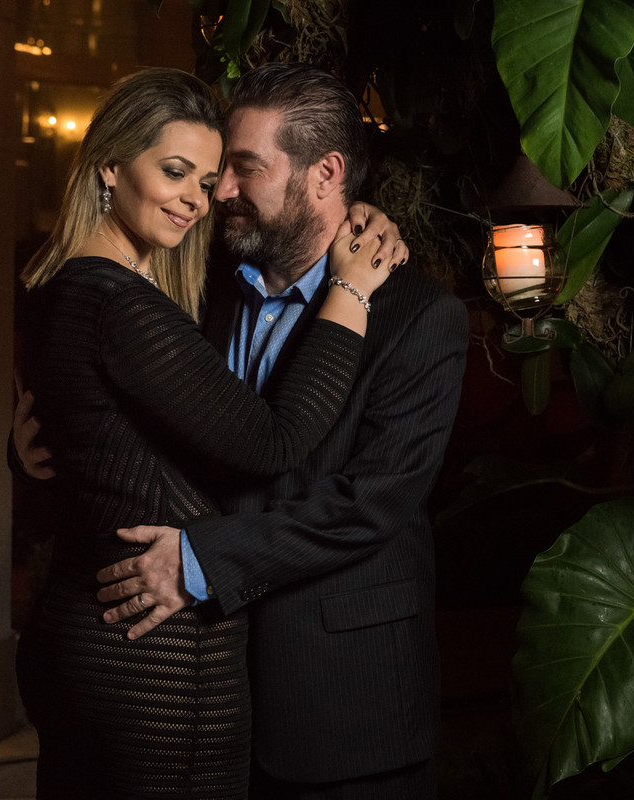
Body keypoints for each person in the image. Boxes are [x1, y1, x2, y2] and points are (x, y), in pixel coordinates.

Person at [14, 67, 399, 799]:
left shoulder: (58, 290)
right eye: (175, 172)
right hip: (151, 666)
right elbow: (275, 443)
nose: (198, 198)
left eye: (210, 177)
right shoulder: (121, 304)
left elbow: (89, 446)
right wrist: (350, 292)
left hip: (78, 636)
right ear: (109, 166)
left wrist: (24, 456)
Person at [92, 63, 469, 798]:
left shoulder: (419, 319)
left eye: (244, 168)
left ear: (325, 174)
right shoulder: (195, 286)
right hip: (203, 702)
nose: (219, 191)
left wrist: (198, 562)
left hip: (348, 711)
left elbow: (369, 504)